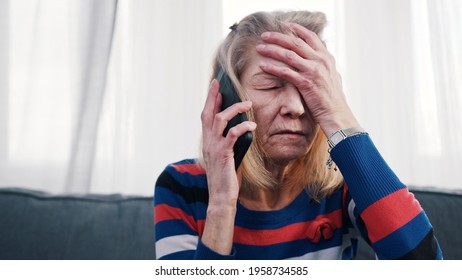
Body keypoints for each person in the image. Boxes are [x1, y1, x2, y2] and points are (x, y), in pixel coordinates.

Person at [154, 10, 443, 260]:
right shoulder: (181, 186)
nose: (296, 108)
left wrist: (337, 113)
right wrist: (220, 205)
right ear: (227, 100)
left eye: (310, 88)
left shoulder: (344, 184)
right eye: (270, 85)